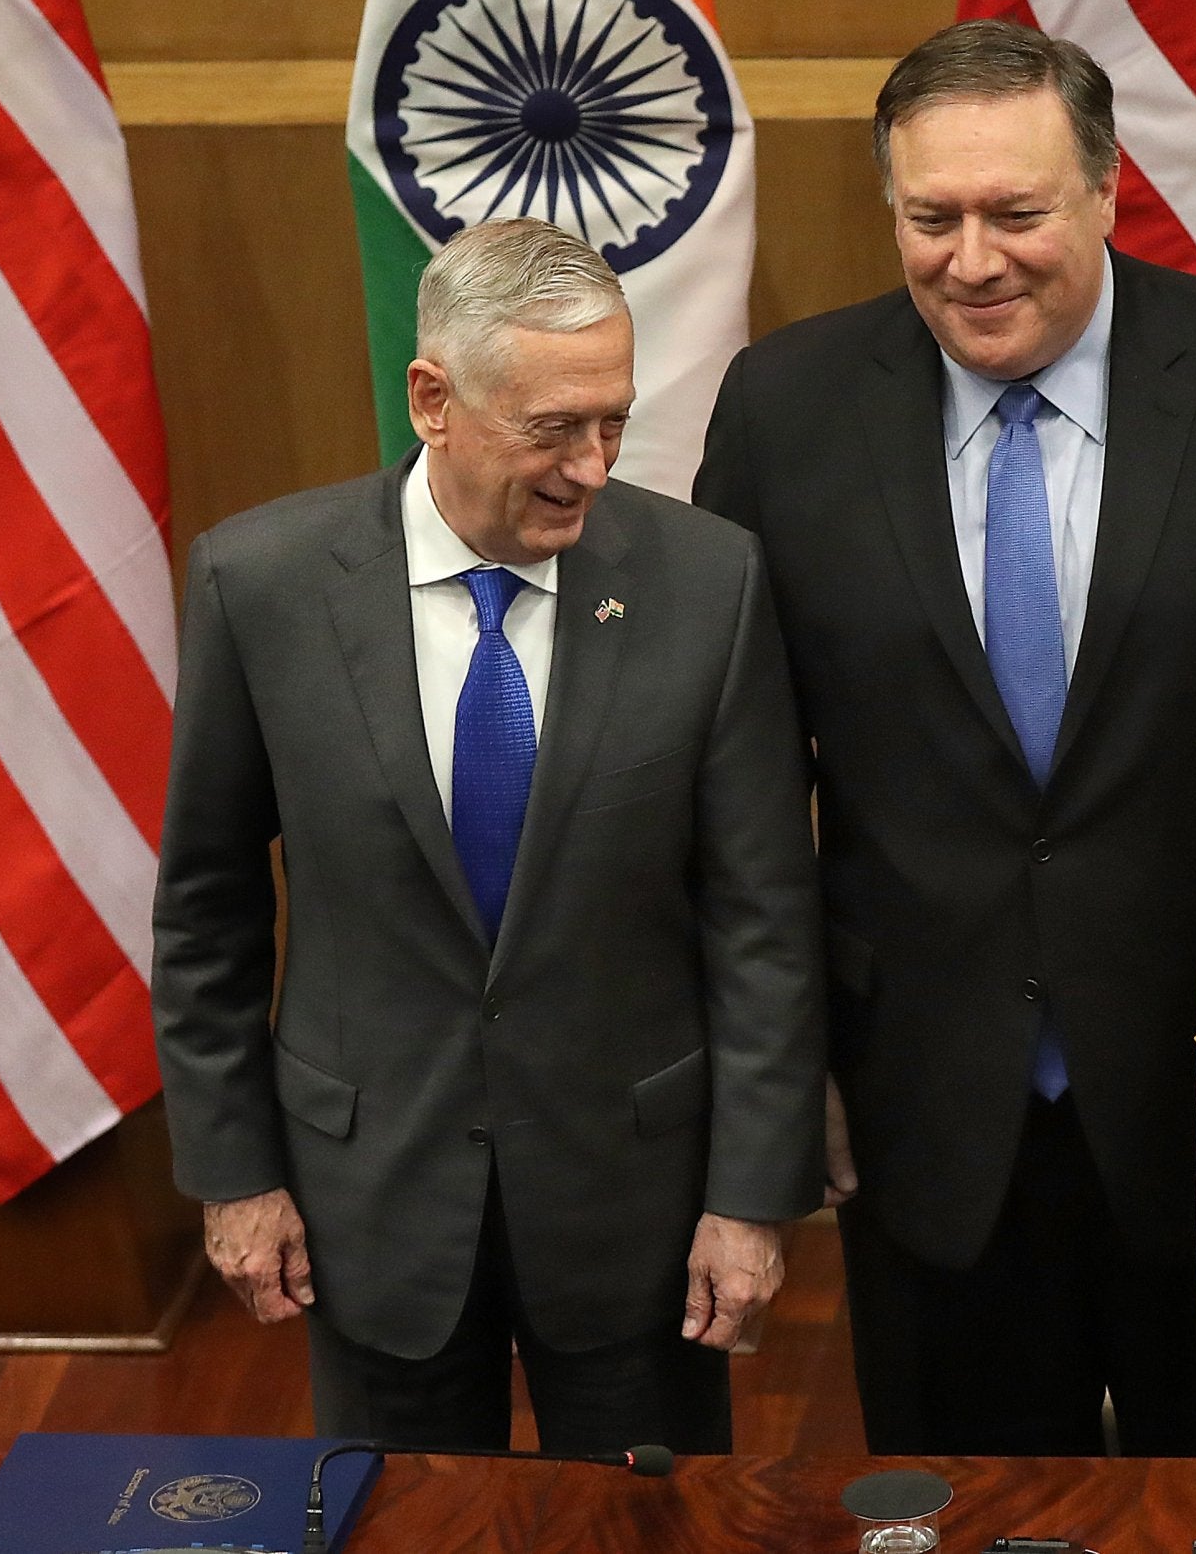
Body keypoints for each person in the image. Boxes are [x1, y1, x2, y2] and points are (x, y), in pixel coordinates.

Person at [694, 19, 1196, 1455]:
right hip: (923, 1103)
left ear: (1106, 192)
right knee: (966, 1506)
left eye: (1017, 213)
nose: (973, 259)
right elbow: (739, 784)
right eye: (933, 217)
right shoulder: (786, 410)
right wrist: (789, 1082)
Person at [150, 218, 826, 1454]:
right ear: (433, 400)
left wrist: (750, 1199)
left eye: (612, 419)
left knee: (648, 1540)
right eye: (551, 428)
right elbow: (206, 913)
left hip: (634, 1204)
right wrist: (234, 1177)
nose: (590, 462)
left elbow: (765, 922)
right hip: (373, 1195)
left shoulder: (710, 583)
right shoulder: (261, 586)